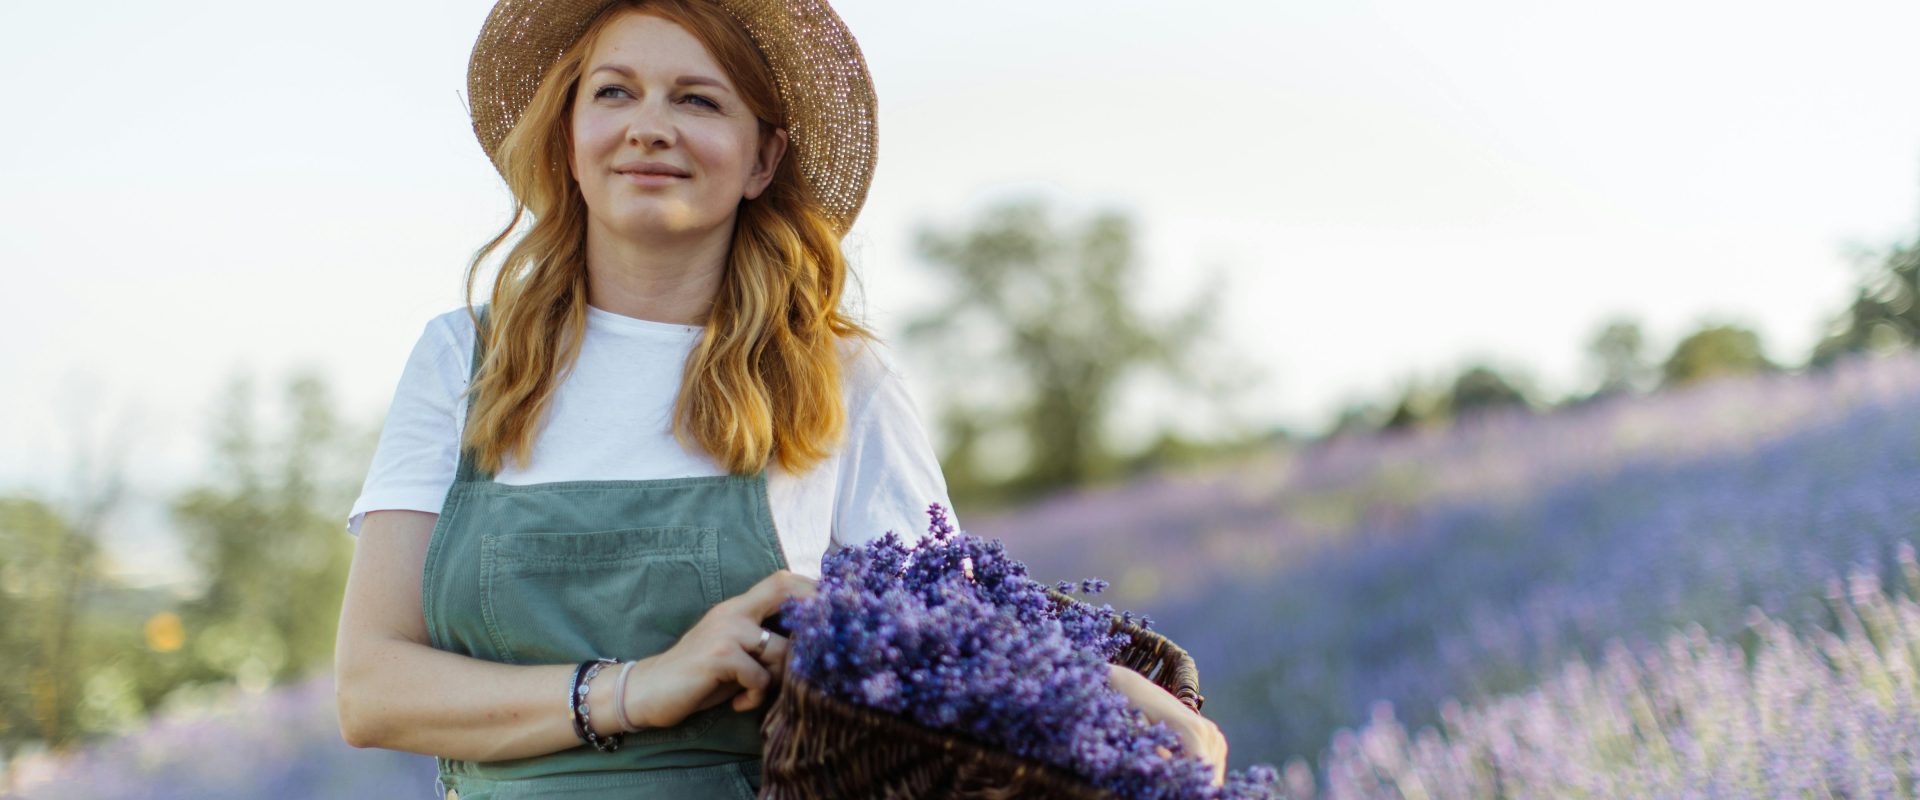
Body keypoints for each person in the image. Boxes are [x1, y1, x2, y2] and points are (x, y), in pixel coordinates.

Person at [333, 0, 1225, 796]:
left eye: (697, 99)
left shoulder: (837, 377)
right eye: (613, 93)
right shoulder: (465, 360)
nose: (649, 126)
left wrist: (1144, 717)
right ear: (567, 136)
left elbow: (960, 635)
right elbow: (372, 690)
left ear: (763, 159)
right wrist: (641, 687)